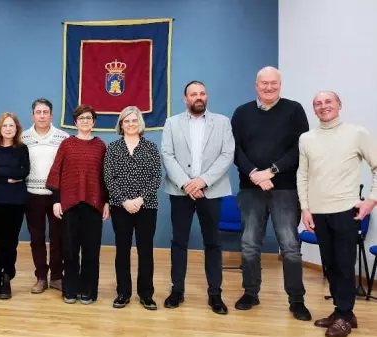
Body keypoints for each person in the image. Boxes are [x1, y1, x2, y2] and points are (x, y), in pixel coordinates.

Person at [231, 66, 311, 320]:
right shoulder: (242, 112)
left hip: (285, 189)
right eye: (264, 83)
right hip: (250, 188)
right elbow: (233, 149)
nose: (268, 87)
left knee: (290, 246)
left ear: (280, 85)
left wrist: (271, 171)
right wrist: (254, 172)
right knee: (249, 244)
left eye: (273, 84)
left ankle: (296, 300)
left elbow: (301, 148)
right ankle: (251, 293)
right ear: (256, 85)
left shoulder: (294, 110)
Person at [297, 91, 377, 337]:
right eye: (318, 103)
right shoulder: (306, 138)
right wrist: (305, 207)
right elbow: (303, 175)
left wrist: (371, 200)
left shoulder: (357, 133)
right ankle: (343, 311)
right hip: (318, 212)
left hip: (345, 211)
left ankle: (344, 314)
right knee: (330, 265)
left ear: (339, 104)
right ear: (314, 109)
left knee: (343, 264)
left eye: (328, 102)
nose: (323, 106)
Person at [161, 81, 235, 314]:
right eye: (194, 94)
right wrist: (186, 183)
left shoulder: (222, 122)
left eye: (202, 93)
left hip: (211, 190)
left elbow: (227, 154)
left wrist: (202, 181)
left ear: (207, 96)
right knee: (179, 242)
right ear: (185, 99)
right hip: (180, 191)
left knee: (213, 242)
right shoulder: (172, 123)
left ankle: (215, 294)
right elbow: (167, 154)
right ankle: (177, 291)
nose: (199, 97)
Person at [46, 104, 109, 305]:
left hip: (94, 204)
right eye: (81, 119)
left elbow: (105, 177)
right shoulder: (67, 144)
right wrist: (56, 200)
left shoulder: (101, 145)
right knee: (70, 250)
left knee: (91, 250)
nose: (85, 122)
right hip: (69, 204)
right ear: (75, 122)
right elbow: (56, 171)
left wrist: (106, 202)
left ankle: (88, 290)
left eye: (89, 118)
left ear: (94, 122)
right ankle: (70, 289)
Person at [103, 106, 162, 310]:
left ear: (140, 123)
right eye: (126, 121)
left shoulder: (151, 147)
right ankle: (123, 293)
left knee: (146, 251)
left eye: (134, 121)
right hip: (121, 207)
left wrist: (140, 199)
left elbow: (156, 177)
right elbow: (109, 178)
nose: (130, 124)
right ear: (121, 124)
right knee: (122, 251)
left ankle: (146, 294)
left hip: (147, 206)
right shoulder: (113, 148)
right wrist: (125, 201)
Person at [0, 112, 30, 300]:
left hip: (16, 202)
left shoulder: (22, 148)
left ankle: (7, 278)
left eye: (12, 125)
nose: (8, 129)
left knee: (11, 242)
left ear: (16, 128)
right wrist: (9, 176)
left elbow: (24, 172)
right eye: (5, 125)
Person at [21, 98, 69, 293]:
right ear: (33, 115)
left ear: (51, 115)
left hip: (57, 196)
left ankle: (57, 276)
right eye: (38, 112)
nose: (42, 116)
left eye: (45, 112)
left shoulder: (63, 137)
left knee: (58, 238)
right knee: (37, 238)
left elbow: (67, 169)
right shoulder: (23, 138)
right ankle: (41, 277)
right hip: (32, 195)